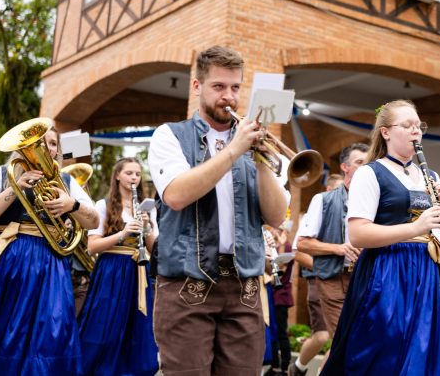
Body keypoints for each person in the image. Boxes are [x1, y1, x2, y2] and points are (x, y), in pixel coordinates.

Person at [147, 45, 289, 375]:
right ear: (197, 87)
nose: (229, 96)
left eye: (236, 87)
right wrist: (234, 149)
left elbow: (276, 216)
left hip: (244, 286)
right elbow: (177, 195)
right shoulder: (170, 135)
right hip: (187, 285)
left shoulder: (251, 141)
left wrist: (261, 162)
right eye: (219, 87)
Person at [321, 100, 440, 375]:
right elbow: (358, 233)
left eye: (419, 126)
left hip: (428, 271)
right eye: (407, 126)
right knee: (384, 350)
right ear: (385, 132)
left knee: (425, 351)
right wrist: (415, 228)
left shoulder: (429, 175)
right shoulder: (369, 172)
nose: (416, 132)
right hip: (387, 272)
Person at [0, 123, 99, 375]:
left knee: (53, 332)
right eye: (41, 142)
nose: (46, 148)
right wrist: (15, 188)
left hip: (52, 263)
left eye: (52, 143)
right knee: (6, 328)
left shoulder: (66, 181)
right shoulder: (2, 173)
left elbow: (93, 221)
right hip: (11, 261)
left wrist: (72, 205)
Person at [78, 157, 159, 376]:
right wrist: (122, 234)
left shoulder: (146, 207)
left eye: (137, 174)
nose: (134, 178)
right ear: (117, 175)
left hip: (138, 270)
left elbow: (153, 249)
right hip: (111, 271)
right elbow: (92, 247)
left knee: (137, 326)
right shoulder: (103, 205)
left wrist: (148, 227)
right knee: (105, 324)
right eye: (129, 173)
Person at [297, 143, 368, 344]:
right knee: (344, 341)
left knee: (364, 341)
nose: (365, 167)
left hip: (366, 277)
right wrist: (339, 248)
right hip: (333, 278)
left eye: (368, 163)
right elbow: (302, 244)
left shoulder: (376, 200)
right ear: (345, 167)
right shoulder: (322, 199)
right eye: (359, 162)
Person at [290, 211, 330, 376]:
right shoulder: (319, 209)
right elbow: (296, 251)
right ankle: (297, 368)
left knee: (344, 338)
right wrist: (328, 269)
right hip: (318, 280)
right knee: (322, 336)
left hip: (347, 284)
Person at [268, 223, 295, 376]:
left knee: (281, 332)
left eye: (276, 229)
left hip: (281, 296)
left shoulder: (288, 247)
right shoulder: (275, 247)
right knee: (274, 331)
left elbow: (281, 269)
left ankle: (284, 367)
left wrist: (283, 244)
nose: (272, 231)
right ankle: (275, 365)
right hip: (273, 296)